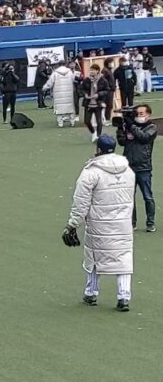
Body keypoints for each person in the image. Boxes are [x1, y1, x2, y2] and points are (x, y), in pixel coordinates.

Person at [64, 135, 135, 312]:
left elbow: (81, 202)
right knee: (124, 258)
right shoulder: (128, 170)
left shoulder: (90, 172)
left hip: (99, 223)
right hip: (122, 223)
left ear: (98, 149)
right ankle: (124, 297)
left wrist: (72, 224)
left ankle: (91, 293)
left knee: (94, 258)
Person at [117, 104, 158, 232]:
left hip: (144, 167)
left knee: (147, 196)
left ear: (148, 114)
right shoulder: (129, 126)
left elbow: (143, 138)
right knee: (130, 198)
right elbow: (122, 142)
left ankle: (150, 223)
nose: (138, 116)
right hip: (129, 166)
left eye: (141, 114)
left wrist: (131, 126)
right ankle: (132, 223)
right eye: (137, 114)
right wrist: (121, 129)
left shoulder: (151, 127)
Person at [81, 64, 109, 142]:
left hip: (98, 103)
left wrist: (99, 94)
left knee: (99, 121)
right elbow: (82, 89)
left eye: (93, 70)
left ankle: (98, 136)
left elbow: (107, 90)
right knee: (87, 121)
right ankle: (93, 132)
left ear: (97, 71)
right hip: (88, 103)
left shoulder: (102, 80)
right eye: (91, 70)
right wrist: (85, 94)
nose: (92, 71)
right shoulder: (86, 80)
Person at [43, 63, 76, 127]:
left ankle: (60, 123)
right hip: (68, 92)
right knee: (70, 108)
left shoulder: (55, 73)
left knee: (59, 110)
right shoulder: (70, 72)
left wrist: (44, 88)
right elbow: (73, 79)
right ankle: (72, 122)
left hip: (58, 93)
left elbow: (50, 83)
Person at [101, 57, 116, 127]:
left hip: (110, 90)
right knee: (107, 105)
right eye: (110, 62)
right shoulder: (105, 71)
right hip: (107, 91)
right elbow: (103, 80)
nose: (112, 64)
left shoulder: (109, 70)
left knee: (109, 105)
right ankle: (105, 119)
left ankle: (107, 119)